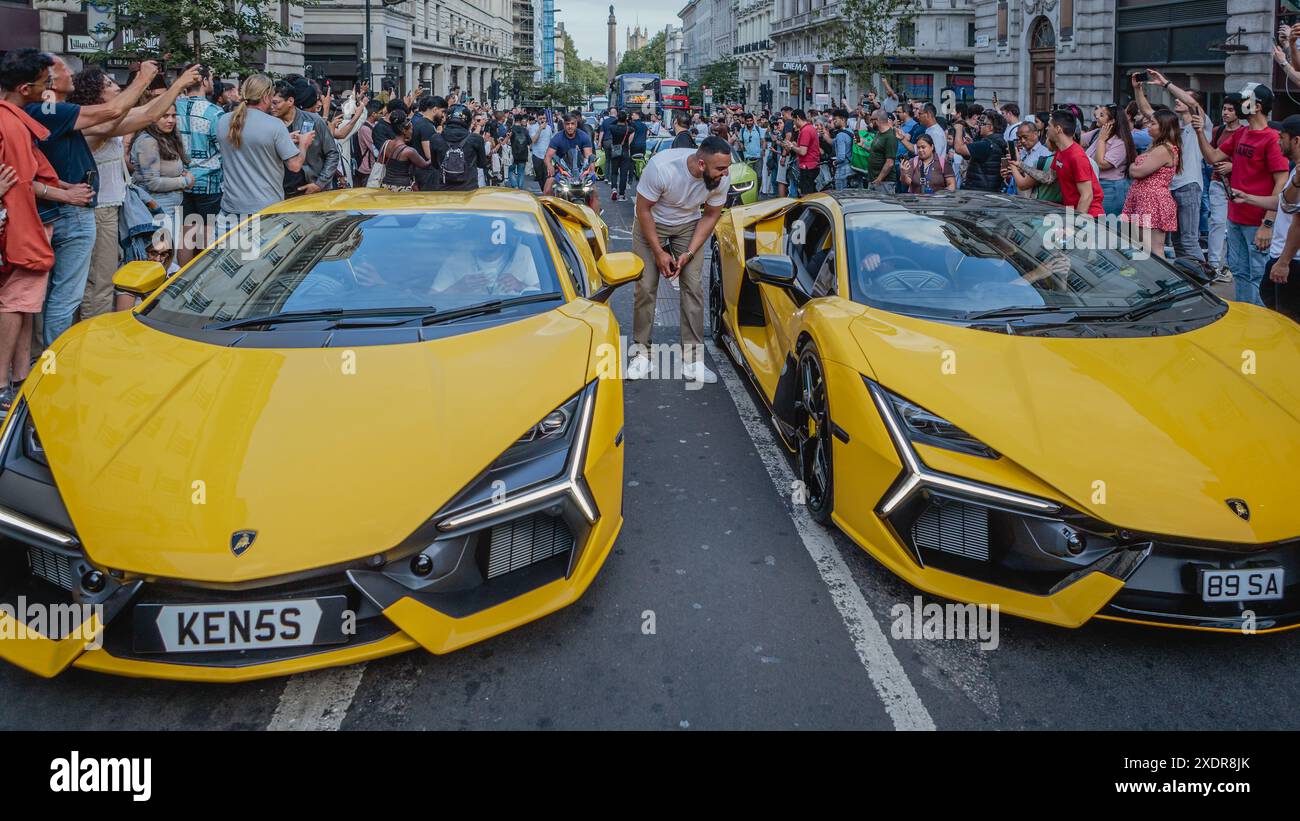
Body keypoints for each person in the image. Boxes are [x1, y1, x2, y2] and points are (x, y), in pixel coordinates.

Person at [0, 49, 94, 412]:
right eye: (45, 82)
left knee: (25, 305)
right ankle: (4, 384)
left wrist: (63, 193)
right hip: (17, 232)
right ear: (25, 88)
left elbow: (24, 180)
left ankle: (20, 378)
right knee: (16, 304)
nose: (50, 86)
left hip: (26, 229)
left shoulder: (16, 120)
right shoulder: (10, 122)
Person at [627, 137, 731, 385]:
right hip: (650, 224)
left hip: (688, 225)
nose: (725, 174)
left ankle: (693, 360)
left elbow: (711, 215)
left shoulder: (722, 178)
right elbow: (643, 210)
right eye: (720, 169)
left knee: (693, 286)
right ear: (702, 164)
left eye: (727, 168)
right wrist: (659, 252)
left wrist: (691, 253)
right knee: (646, 286)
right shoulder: (662, 168)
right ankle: (641, 354)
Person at [1195, 83, 1289, 306]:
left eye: (1243, 101)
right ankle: (1248, 321)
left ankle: (1261, 326)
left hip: (1257, 222)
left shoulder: (1271, 138)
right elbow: (1213, 157)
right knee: (1239, 272)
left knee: (1258, 276)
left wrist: (1267, 223)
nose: (1238, 106)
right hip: (1235, 217)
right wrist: (1199, 132)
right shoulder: (1242, 133)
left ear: (1257, 106)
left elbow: (1281, 181)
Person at [1133, 70, 1209, 261]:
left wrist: (1166, 84)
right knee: (1176, 242)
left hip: (1189, 187)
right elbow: (1148, 112)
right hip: (1168, 190)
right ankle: (1188, 281)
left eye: (1181, 98)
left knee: (1189, 240)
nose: (1177, 100)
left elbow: (1192, 103)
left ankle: (1204, 284)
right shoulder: (1174, 129)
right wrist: (1138, 89)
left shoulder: (1200, 125)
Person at [216, 74, 315, 217]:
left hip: (230, 208)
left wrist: (283, 139)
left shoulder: (224, 121)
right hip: (265, 211)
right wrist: (304, 144)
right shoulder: (274, 124)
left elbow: (248, 144)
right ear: (265, 96)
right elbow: (295, 165)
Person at [1121, 109, 1181, 259]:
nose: (1148, 126)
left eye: (1153, 123)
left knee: (1153, 250)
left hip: (1152, 202)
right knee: (1139, 247)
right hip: (1144, 200)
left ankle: (1159, 281)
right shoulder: (1155, 146)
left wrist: (1131, 167)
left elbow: (1138, 172)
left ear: (1164, 127)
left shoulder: (1164, 149)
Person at [130, 104, 192, 246]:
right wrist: (185, 181)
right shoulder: (148, 142)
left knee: (170, 253)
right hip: (157, 207)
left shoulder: (166, 138)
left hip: (170, 207)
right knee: (163, 253)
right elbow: (153, 182)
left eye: (173, 116)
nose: (171, 120)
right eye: (165, 116)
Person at [1258, 114, 1300, 321]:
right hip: (1284, 256)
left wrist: (1284, 262)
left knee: (1288, 323)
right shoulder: (1295, 172)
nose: (1278, 141)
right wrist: (1247, 198)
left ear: (1296, 140)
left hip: (1292, 261)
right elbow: (1285, 204)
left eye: (1281, 137)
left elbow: (1298, 223)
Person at [271, 79, 339, 197]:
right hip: (278, 191)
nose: (272, 107)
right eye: (270, 103)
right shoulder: (269, 123)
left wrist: (319, 184)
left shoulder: (314, 120)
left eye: (276, 103)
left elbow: (332, 153)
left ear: (290, 101)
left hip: (311, 189)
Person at [1206, 96, 1242, 280]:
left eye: (1230, 110)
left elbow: (1249, 162)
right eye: (1224, 109)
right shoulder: (1218, 131)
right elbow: (1210, 154)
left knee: (1232, 226)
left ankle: (1228, 265)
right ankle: (1214, 265)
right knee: (1218, 222)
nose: (1226, 113)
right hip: (1218, 181)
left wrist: (1233, 166)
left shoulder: (1244, 132)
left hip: (1239, 184)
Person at [1081, 103, 1136, 215]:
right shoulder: (1097, 133)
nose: (1097, 117)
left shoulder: (1120, 142)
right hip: (1094, 185)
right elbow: (1076, 140)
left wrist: (1101, 141)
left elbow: (1101, 164)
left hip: (1110, 188)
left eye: (1101, 115)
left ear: (1111, 121)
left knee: (1106, 226)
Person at [1047, 109, 1103, 217]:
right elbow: (1049, 178)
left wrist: (1073, 225)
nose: (1046, 128)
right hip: (1073, 213)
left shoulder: (1077, 156)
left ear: (1058, 129)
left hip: (1090, 216)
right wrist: (1019, 165)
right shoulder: (1060, 151)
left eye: (1049, 126)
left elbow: (1087, 195)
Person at [430, 104, 488, 191]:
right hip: (468, 189)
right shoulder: (476, 139)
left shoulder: (435, 138)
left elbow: (435, 164)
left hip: (443, 189)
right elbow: (482, 163)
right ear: (468, 121)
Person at [543, 113, 596, 208]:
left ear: (576, 124)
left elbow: (589, 156)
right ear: (564, 125)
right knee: (548, 188)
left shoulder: (584, 136)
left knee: (594, 192)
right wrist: (549, 166)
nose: (570, 126)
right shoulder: (557, 137)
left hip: (580, 172)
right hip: (562, 171)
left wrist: (592, 171)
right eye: (567, 124)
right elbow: (548, 156)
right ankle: (548, 215)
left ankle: (596, 219)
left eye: (572, 124)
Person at [953, 111, 1008, 192]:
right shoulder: (998, 142)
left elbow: (958, 149)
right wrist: (972, 145)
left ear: (990, 127)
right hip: (991, 190)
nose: (979, 126)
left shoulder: (986, 144)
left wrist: (958, 128)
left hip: (978, 191)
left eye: (982, 124)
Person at [378, 111, 431, 192]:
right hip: (402, 188)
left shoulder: (386, 143)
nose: (412, 132)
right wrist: (434, 154)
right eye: (411, 129)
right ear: (404, 130)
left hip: (385, 185)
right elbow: (424, 165)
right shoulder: (409, 151)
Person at [784, 109, 821, 196]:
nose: (793, 124)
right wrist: (795, 145)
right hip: (811, 165)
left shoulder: (806, 131)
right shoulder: (809, 128)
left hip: (807, 166)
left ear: (797, 118)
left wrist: (792, 146)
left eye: (793, 121)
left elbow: (803, 152)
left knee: (806, 194)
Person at [861, 109, 897, 193]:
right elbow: (875, 150)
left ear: (876, 120)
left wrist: (879, 179)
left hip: (884, 183)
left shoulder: (890, 137)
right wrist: (863, 145)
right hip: (875, 180)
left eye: (871, 120)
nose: (870, 122)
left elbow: (890, 162)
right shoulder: (879, 133)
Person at [607, 110, 631, 201]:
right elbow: (633, 126)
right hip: (625, 152)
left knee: (614, 172)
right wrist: (626, 120)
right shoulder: (629, 129)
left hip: (615, 151)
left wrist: (617, 119)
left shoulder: (613, 127)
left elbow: (610, 124)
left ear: (617, 118)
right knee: (624, 174)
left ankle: (613, 188)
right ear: (625, 119)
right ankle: (621, 194)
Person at [529, 112, 554, 191]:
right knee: (539, 176)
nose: (542, 120)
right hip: (537, 155)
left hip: (547, 156)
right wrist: (539, 129)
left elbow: (551, 141)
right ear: (537, 119)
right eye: (540, 119)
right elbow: (533, 140)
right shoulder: (533, 127)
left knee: (547, 176)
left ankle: (546, 191)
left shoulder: (549, 128)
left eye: (544, 118)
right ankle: (543, 189)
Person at [507, 113, 530, 189]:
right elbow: (529, 142)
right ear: (521, 121)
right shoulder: (525, 130)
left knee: (511, 171)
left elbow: (507, 140)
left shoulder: (511, 129)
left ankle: (514, 185)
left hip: (513, 154)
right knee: (521, 172)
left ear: (514, 120)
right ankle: (520, 188)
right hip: (523, 154)